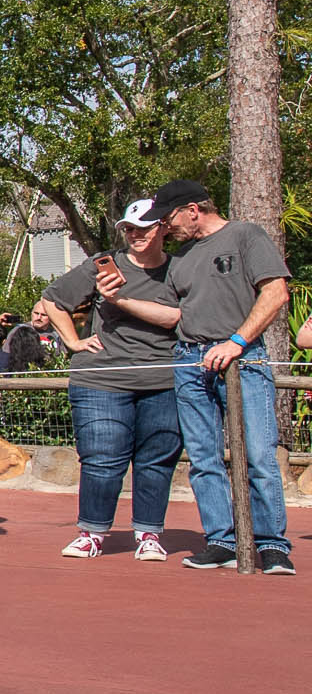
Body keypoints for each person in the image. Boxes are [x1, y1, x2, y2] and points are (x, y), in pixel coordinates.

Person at [101, 180, 293, 573]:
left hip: (243, 358)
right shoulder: (181, 258)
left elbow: (276, 292)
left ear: (193, 209)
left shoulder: (246, 236)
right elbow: (174, 316)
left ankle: (272, 544)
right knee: (204, 458)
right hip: (190, 359)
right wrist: (119, 298)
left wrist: (237, 341)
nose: (166, 228)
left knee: (258, 454)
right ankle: (221, 539)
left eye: (169, 218)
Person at [35, 201, 182, 561]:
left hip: (163, 378)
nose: (135, 235)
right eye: (129, 228)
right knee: (102, 458)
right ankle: (92, 532)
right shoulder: (104, 264)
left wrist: (122, 299)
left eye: (143, 227)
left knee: (157, 459)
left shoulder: (181, 269)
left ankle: (149, 534)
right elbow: (53, 300)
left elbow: (186, 317)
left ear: (163, 227)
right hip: (102, 378)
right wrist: (72, 341)